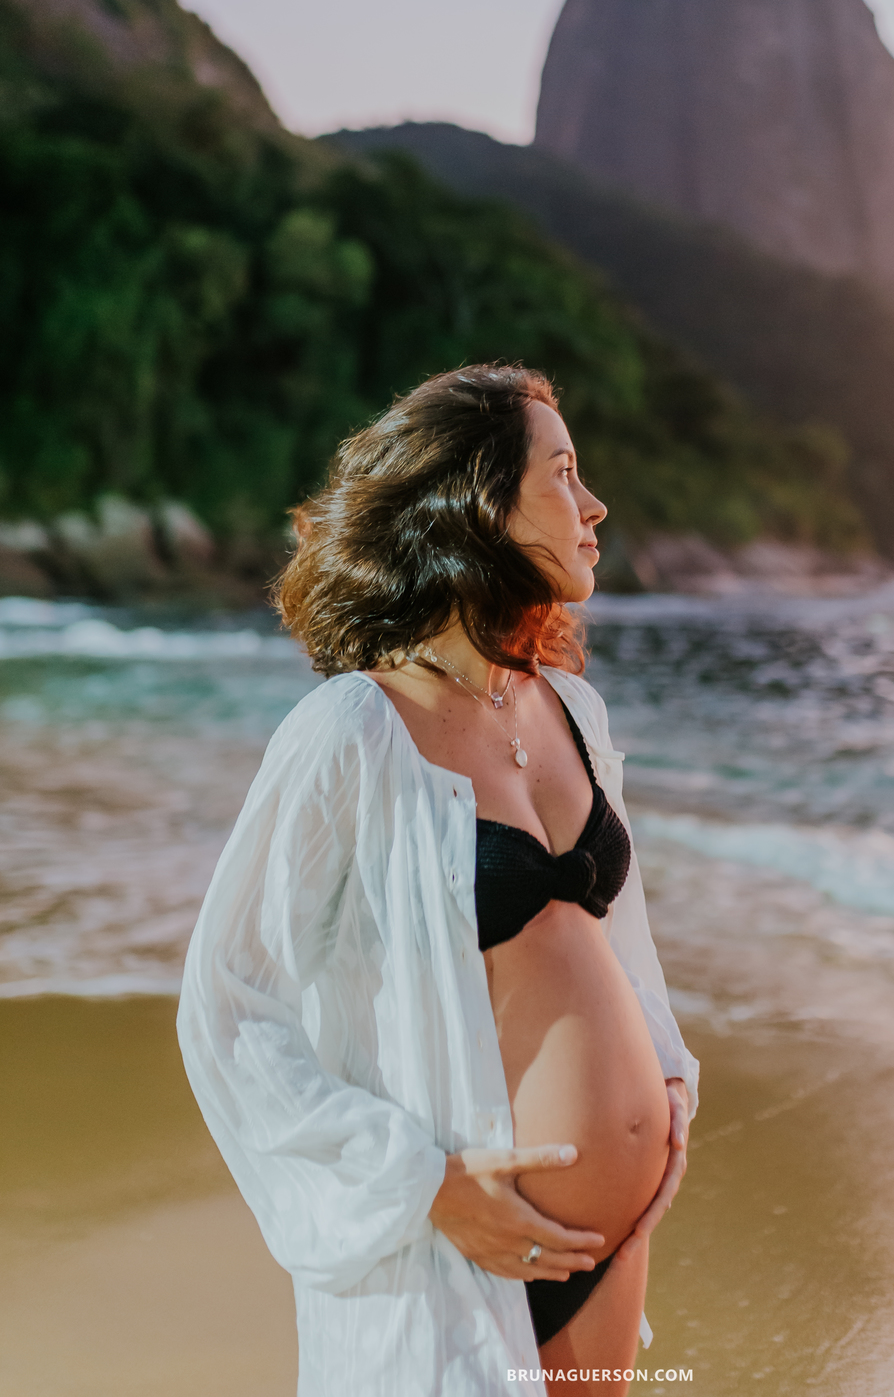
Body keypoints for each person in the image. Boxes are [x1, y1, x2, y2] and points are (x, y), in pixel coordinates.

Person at [177, 363, 699, 1395]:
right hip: (455, 1255)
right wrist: (424, 1187)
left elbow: (621, 940)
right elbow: (226, 1006)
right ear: (477, 501)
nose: (594, 507)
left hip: (608, 1247)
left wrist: (668, 1088)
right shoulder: (352, 732)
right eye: (563, 474)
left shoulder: (572, 713)